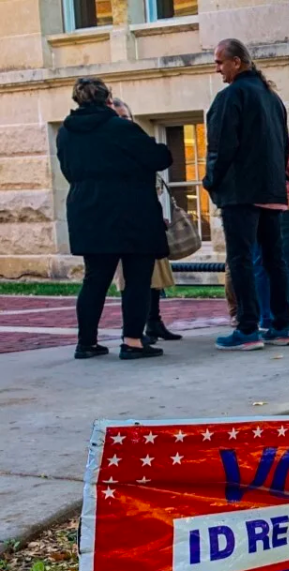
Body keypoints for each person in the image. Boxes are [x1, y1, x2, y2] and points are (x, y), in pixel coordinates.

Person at [59, 78, 172, 360]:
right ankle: (133, 340)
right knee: (137, 278)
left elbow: (69, 169)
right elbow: (160, 157)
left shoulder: (65, 132)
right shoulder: (121, 128)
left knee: (94, 279)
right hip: (131, 212)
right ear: (107, 99)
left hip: (87, 210)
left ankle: (86, 342)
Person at [205, 38, 289, 351]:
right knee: (274, 259)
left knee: (240, 259)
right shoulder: (272, 98)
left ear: (236, 62)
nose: (217, 69)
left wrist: (211, 180)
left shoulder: (232, 96)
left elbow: (221, 144)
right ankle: (282, 325)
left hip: (241, 191)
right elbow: (285, 146)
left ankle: (247, 327)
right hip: (270, 189)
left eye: (219, 62)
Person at [110, 98, 181, 345]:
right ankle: (132, 330)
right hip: (123, 222)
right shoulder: (110, 147)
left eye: (126, 117)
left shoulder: (138, 141)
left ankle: (154, 320)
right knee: (131, 279)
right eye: (117, 116)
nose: (123, 121)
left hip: (148, 217)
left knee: (155, 274)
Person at [252, 132, 289, 333]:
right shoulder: (286, 141)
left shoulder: (246, 138)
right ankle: (285, 317)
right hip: (288, 206)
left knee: (260, 263)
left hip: (254, 206)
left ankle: (265, 316)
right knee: (287, 263)